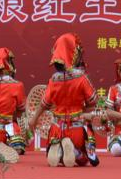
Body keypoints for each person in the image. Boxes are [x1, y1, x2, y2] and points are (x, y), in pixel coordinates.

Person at [30, 33, 100, 168]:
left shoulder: (53, 80)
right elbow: (93, 102)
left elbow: (44, 104)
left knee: (57, 156)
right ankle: (74, 149)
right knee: (84, 160)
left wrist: (34, 119)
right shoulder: (81, 78)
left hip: (57, 128)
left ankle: (59, 147)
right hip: (77, 127)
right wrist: (84, 113)